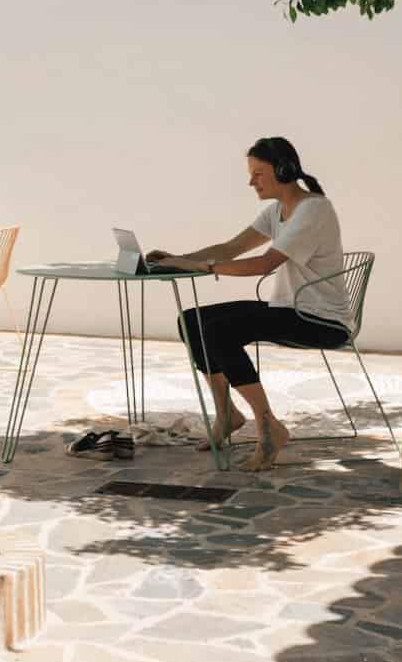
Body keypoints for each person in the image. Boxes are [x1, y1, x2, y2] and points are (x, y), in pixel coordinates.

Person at [145, 137, 355, 472]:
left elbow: (263, 264)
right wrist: (177, 259)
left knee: (220, 331)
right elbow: (231, 249)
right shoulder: (277, 211)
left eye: (258, 173)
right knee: (191, 320)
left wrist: (201, 266)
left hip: (321, 320)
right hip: (290, 310)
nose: (251, 182)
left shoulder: (314, 209)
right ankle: (227, 414)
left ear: (283, 170)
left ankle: (268, 427)